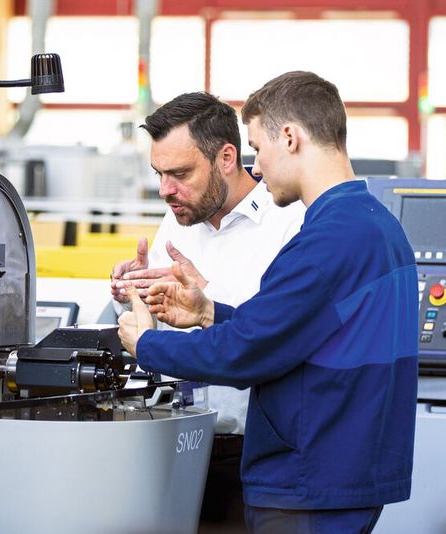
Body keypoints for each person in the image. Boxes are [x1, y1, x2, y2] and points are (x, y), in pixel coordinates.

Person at [118, 71, 418, 533]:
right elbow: (295, 330)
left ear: (291, 138)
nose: (257, 167)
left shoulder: (326, 241)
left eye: (257, 149)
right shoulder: (376, 224)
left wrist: (147, 345)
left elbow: (248, 350)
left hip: (309, 475)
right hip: (345, 468)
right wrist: (208, 312)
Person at [109, 92, 304, 527]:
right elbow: (164, 326)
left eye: (179, 173)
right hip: (173, 439)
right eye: (159, 174)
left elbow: (271, 334)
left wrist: (206, 298)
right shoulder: (179, 218)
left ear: (227, 157)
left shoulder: (290, 222)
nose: (165, 190)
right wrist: (134, 293)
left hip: (251, 453)